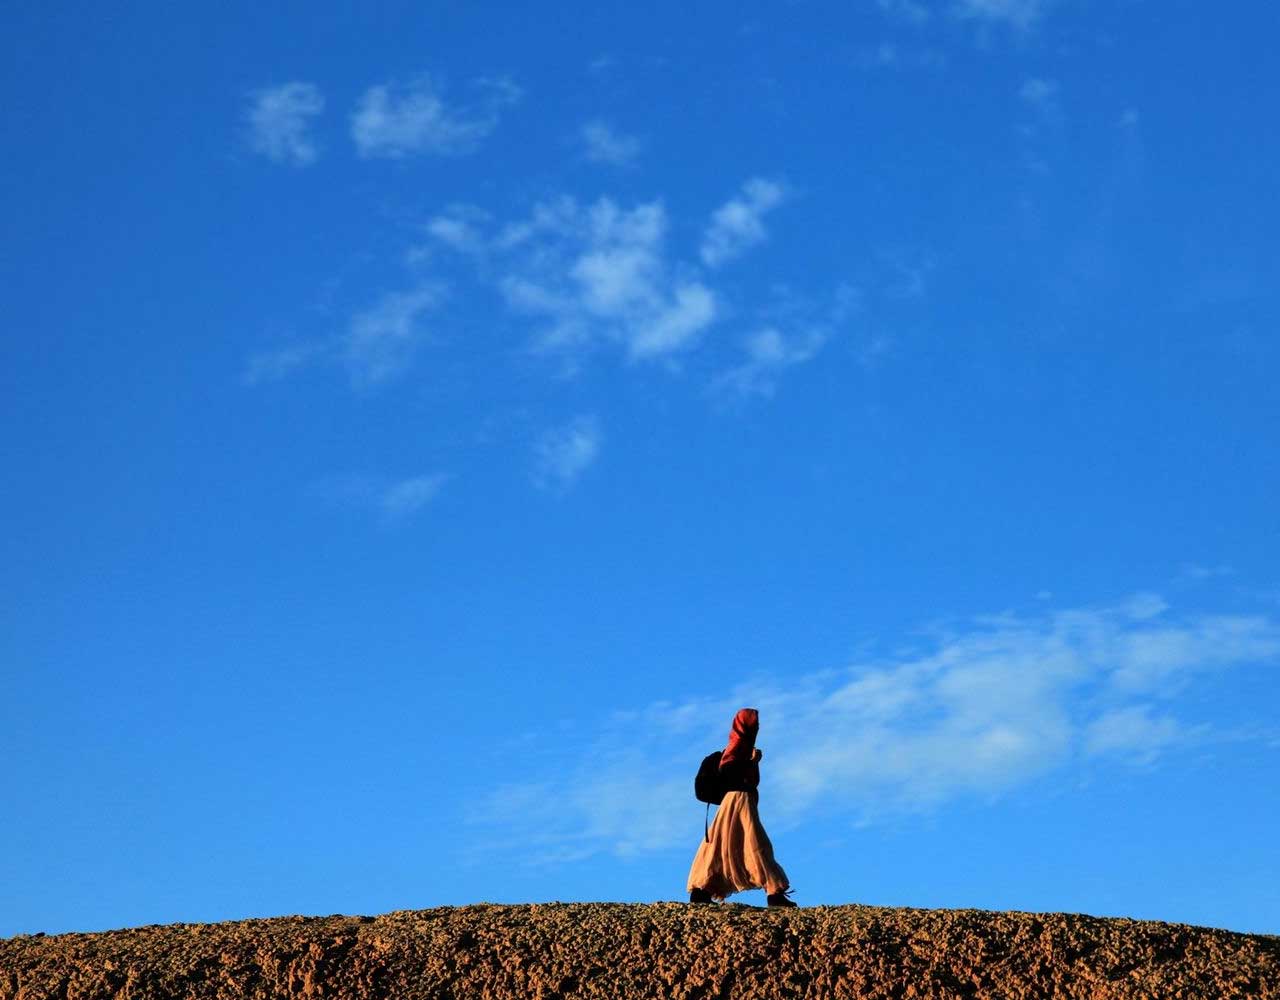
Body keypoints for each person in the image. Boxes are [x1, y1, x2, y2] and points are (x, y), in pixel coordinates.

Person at [687, 707, 796, 907]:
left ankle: (701, 890)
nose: (757, 728)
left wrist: (752, 762)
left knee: (718, 845)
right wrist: (751, 762)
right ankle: (774, 892)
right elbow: (731, 774)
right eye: (754, 724)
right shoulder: (738, 747)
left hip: (734, 803)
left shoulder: (740, 748)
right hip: (740, 801)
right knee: (756, 844)